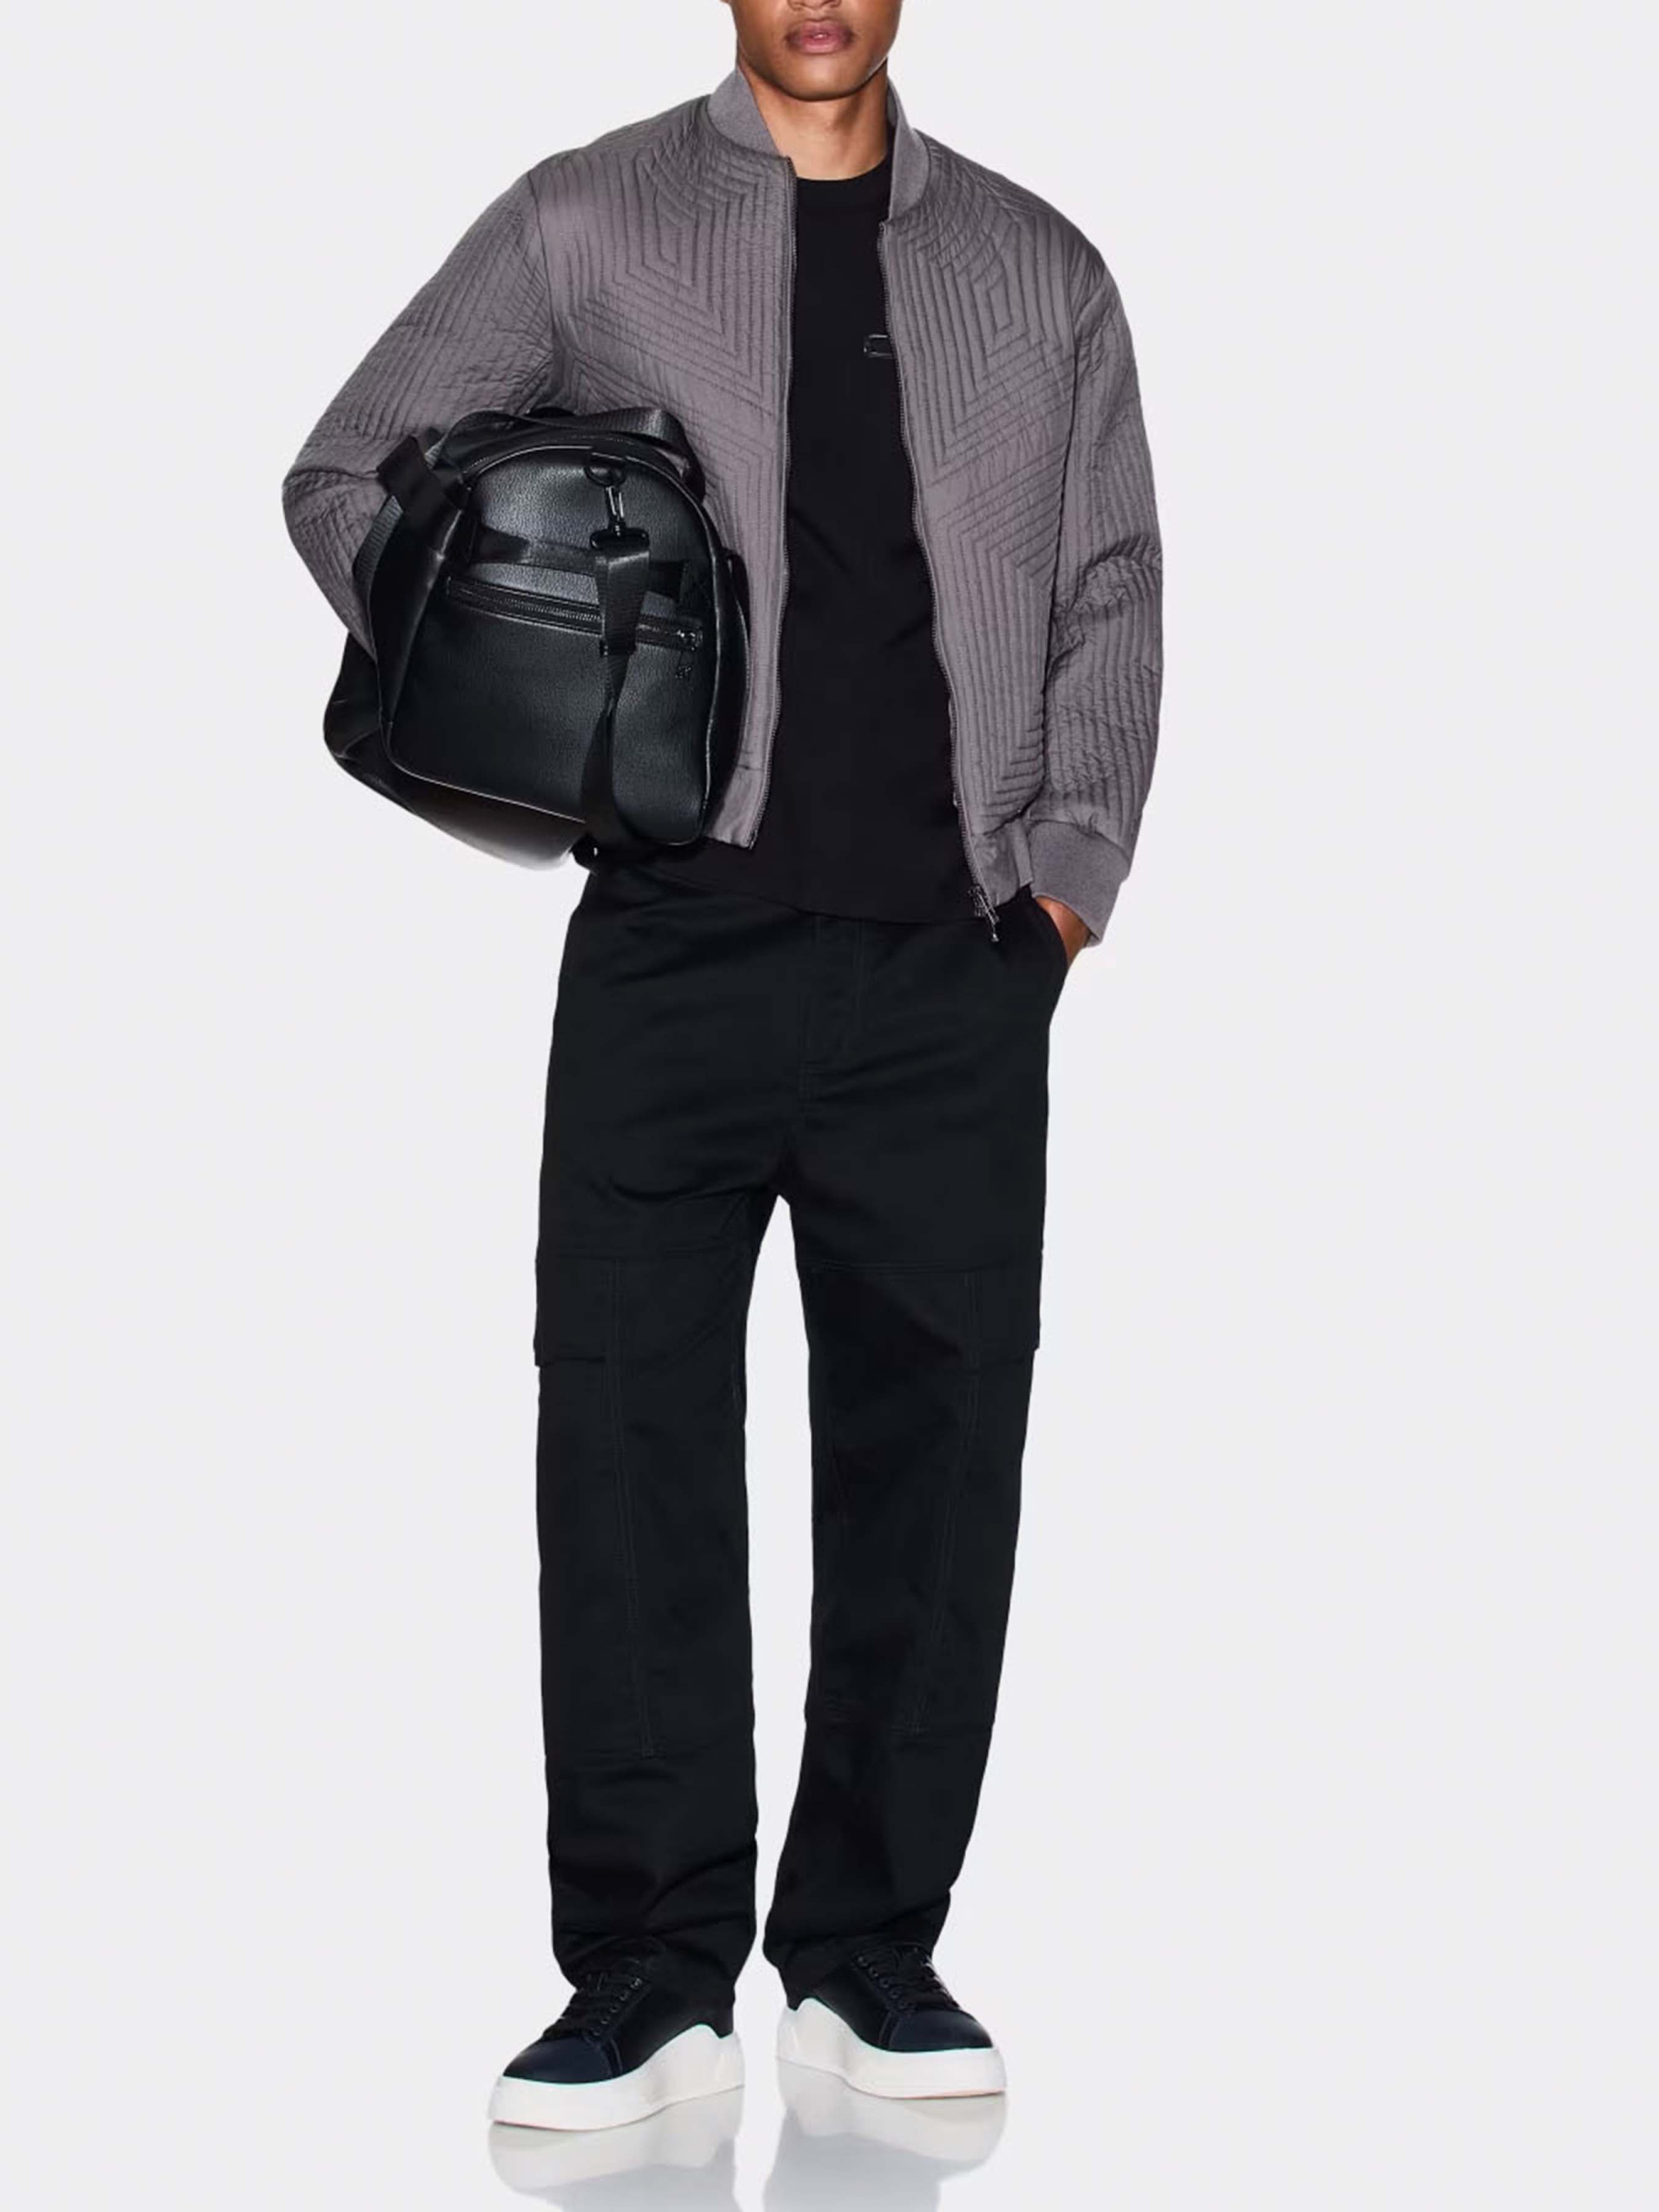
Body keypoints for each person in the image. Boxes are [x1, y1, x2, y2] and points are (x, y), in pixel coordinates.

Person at [282, 0, 1162, 2133]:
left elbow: (1114, 588)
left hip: (954, 969)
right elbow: (344, 474)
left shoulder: (1041, 269)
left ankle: (866, 1955)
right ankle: (648, 1977)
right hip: (672, 945)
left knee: (932, 1470)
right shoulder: (586, 221)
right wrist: (524, 672)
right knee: (624, 1448)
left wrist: (1056, 893)